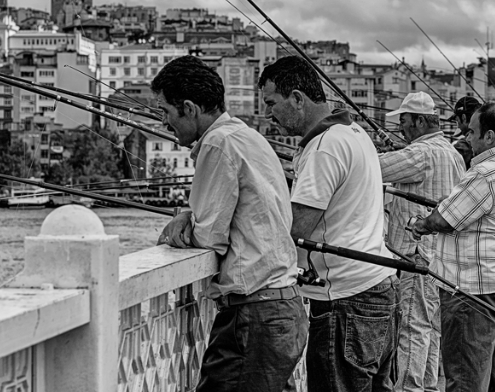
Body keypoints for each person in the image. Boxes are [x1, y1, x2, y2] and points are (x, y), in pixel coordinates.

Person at [152, 56, 306, 392]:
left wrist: (184, 221)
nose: (165, 122)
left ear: (189, 108)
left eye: (166, 111)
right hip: (282, 307)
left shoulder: (218, 143)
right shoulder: (246, 136)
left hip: (256, 314)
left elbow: (209, 237)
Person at [259, 56, 398, 392]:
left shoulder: (325, 148)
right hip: (377, 291)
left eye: (271, 103)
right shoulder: (353, 132)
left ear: (296, 98)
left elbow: (296, 230)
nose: (267, 114)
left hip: (346, 302)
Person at [410, 103, 495, 392]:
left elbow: (444, 220)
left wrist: (420, 224)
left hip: (474, 292)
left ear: (489, 137)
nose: (466, 137)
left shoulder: (484, 174)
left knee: (467, 378)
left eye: (471, 132)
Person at [379, 92, 464, 392]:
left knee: (413, 327)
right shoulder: (450, 151)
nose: (401, 127)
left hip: (417, 255)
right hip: (441, 256)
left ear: (418, 120)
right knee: (430, 327)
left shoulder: (420, 154)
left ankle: (409, 388)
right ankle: (427, 386)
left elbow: (373, 168)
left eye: (404, 121)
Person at [451, 96, 481, 169]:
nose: (458, 127)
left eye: (457, 121)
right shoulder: (491, 140)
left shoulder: (461, 148)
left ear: (464, 118)